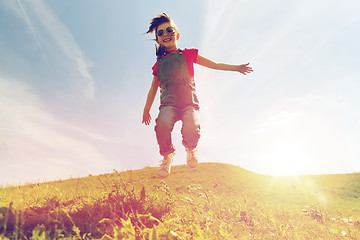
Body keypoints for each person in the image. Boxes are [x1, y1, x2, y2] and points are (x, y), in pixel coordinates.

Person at [142, 13, 253, 178]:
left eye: (169, 29)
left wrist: (235, 67)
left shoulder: (188, 54)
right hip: (168, 104)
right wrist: (146, 110)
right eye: (160, 32)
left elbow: (214, 64)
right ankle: (167, 156)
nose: (165, 33)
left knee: (192, 126)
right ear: (158, 40)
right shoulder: (158, 66)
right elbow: (152, 89)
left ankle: (190, 148)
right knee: (162, 124)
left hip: (188, 102)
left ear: (177, 34)